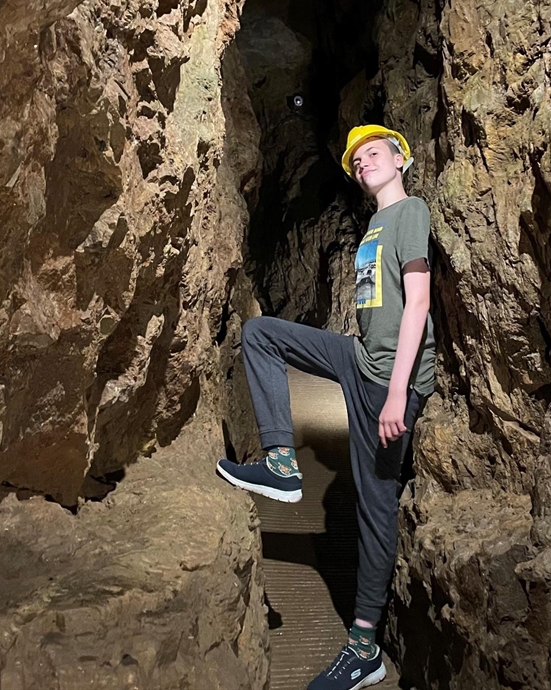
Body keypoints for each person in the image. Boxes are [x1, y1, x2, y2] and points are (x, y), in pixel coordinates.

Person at [216, 124, 435, 690]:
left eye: (373, 153)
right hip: (359, 358)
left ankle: (364, 650)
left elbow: (417, 304)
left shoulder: (410, 212)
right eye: (356, 160)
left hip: (389, 381)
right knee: (261, 334)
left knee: (375, 509)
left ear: (400, 159)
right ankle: (281, 464)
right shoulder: (374, 226)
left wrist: (398, 392)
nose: (363, 163)